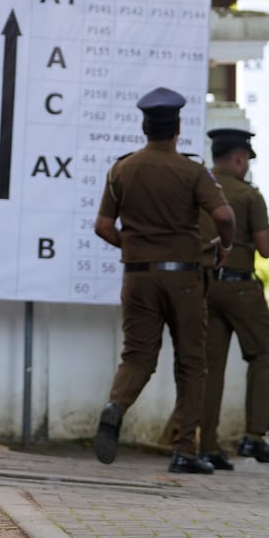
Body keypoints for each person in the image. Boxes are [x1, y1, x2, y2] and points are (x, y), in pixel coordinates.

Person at [92, 87, 232, 475]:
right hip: (184, 279)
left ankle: (115, 405)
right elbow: (223, 216)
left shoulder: (121, 169)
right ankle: (184, 449)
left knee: (137, 356)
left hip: (138, 278)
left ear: (143, 126)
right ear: (178, 128)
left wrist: (134, 246)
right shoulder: (192, 171)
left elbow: (103, 225)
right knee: (191, 362)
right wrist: (226, 246)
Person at [197, 128, 269, 470]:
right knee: (263, 354)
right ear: (237, 158)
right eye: (245, 159)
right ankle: (254, 436)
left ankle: (206, 444)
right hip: (240, 288)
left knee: (210, 367)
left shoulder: (199, 187)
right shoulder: (249, 195)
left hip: (205, 285)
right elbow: (264, 248)